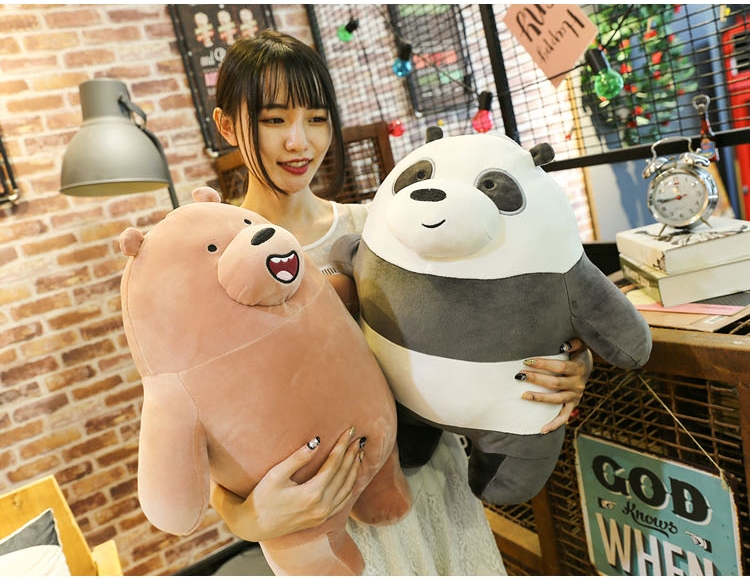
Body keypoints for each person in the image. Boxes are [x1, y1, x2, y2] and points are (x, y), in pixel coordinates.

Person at [208, 29, 593, 576]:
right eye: (274, 120)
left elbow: (494, 312)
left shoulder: (381, 226)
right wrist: (249, 518)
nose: (300, 142)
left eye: (316, 118)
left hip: (432, 482)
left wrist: (572, 361)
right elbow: (204, 418)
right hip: (320, 521)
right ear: (228, 125)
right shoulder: (218, 261)